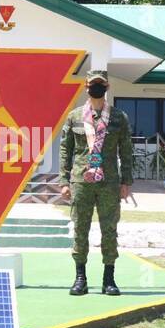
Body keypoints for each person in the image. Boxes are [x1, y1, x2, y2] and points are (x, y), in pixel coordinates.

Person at [58, 70, 133, 296]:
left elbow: (127, 150)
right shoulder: (74, 117)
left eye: (100, 84)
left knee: (109, 229)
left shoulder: (119, 117)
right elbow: (65, 150)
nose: (96, 87)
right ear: (86, 87)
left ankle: (108, 279)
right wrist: (64, 180)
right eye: (93, 84)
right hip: (81, 181)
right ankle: (80, 278)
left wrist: (126, 181)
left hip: (109, 181)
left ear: (107, 87)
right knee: (81, 228)